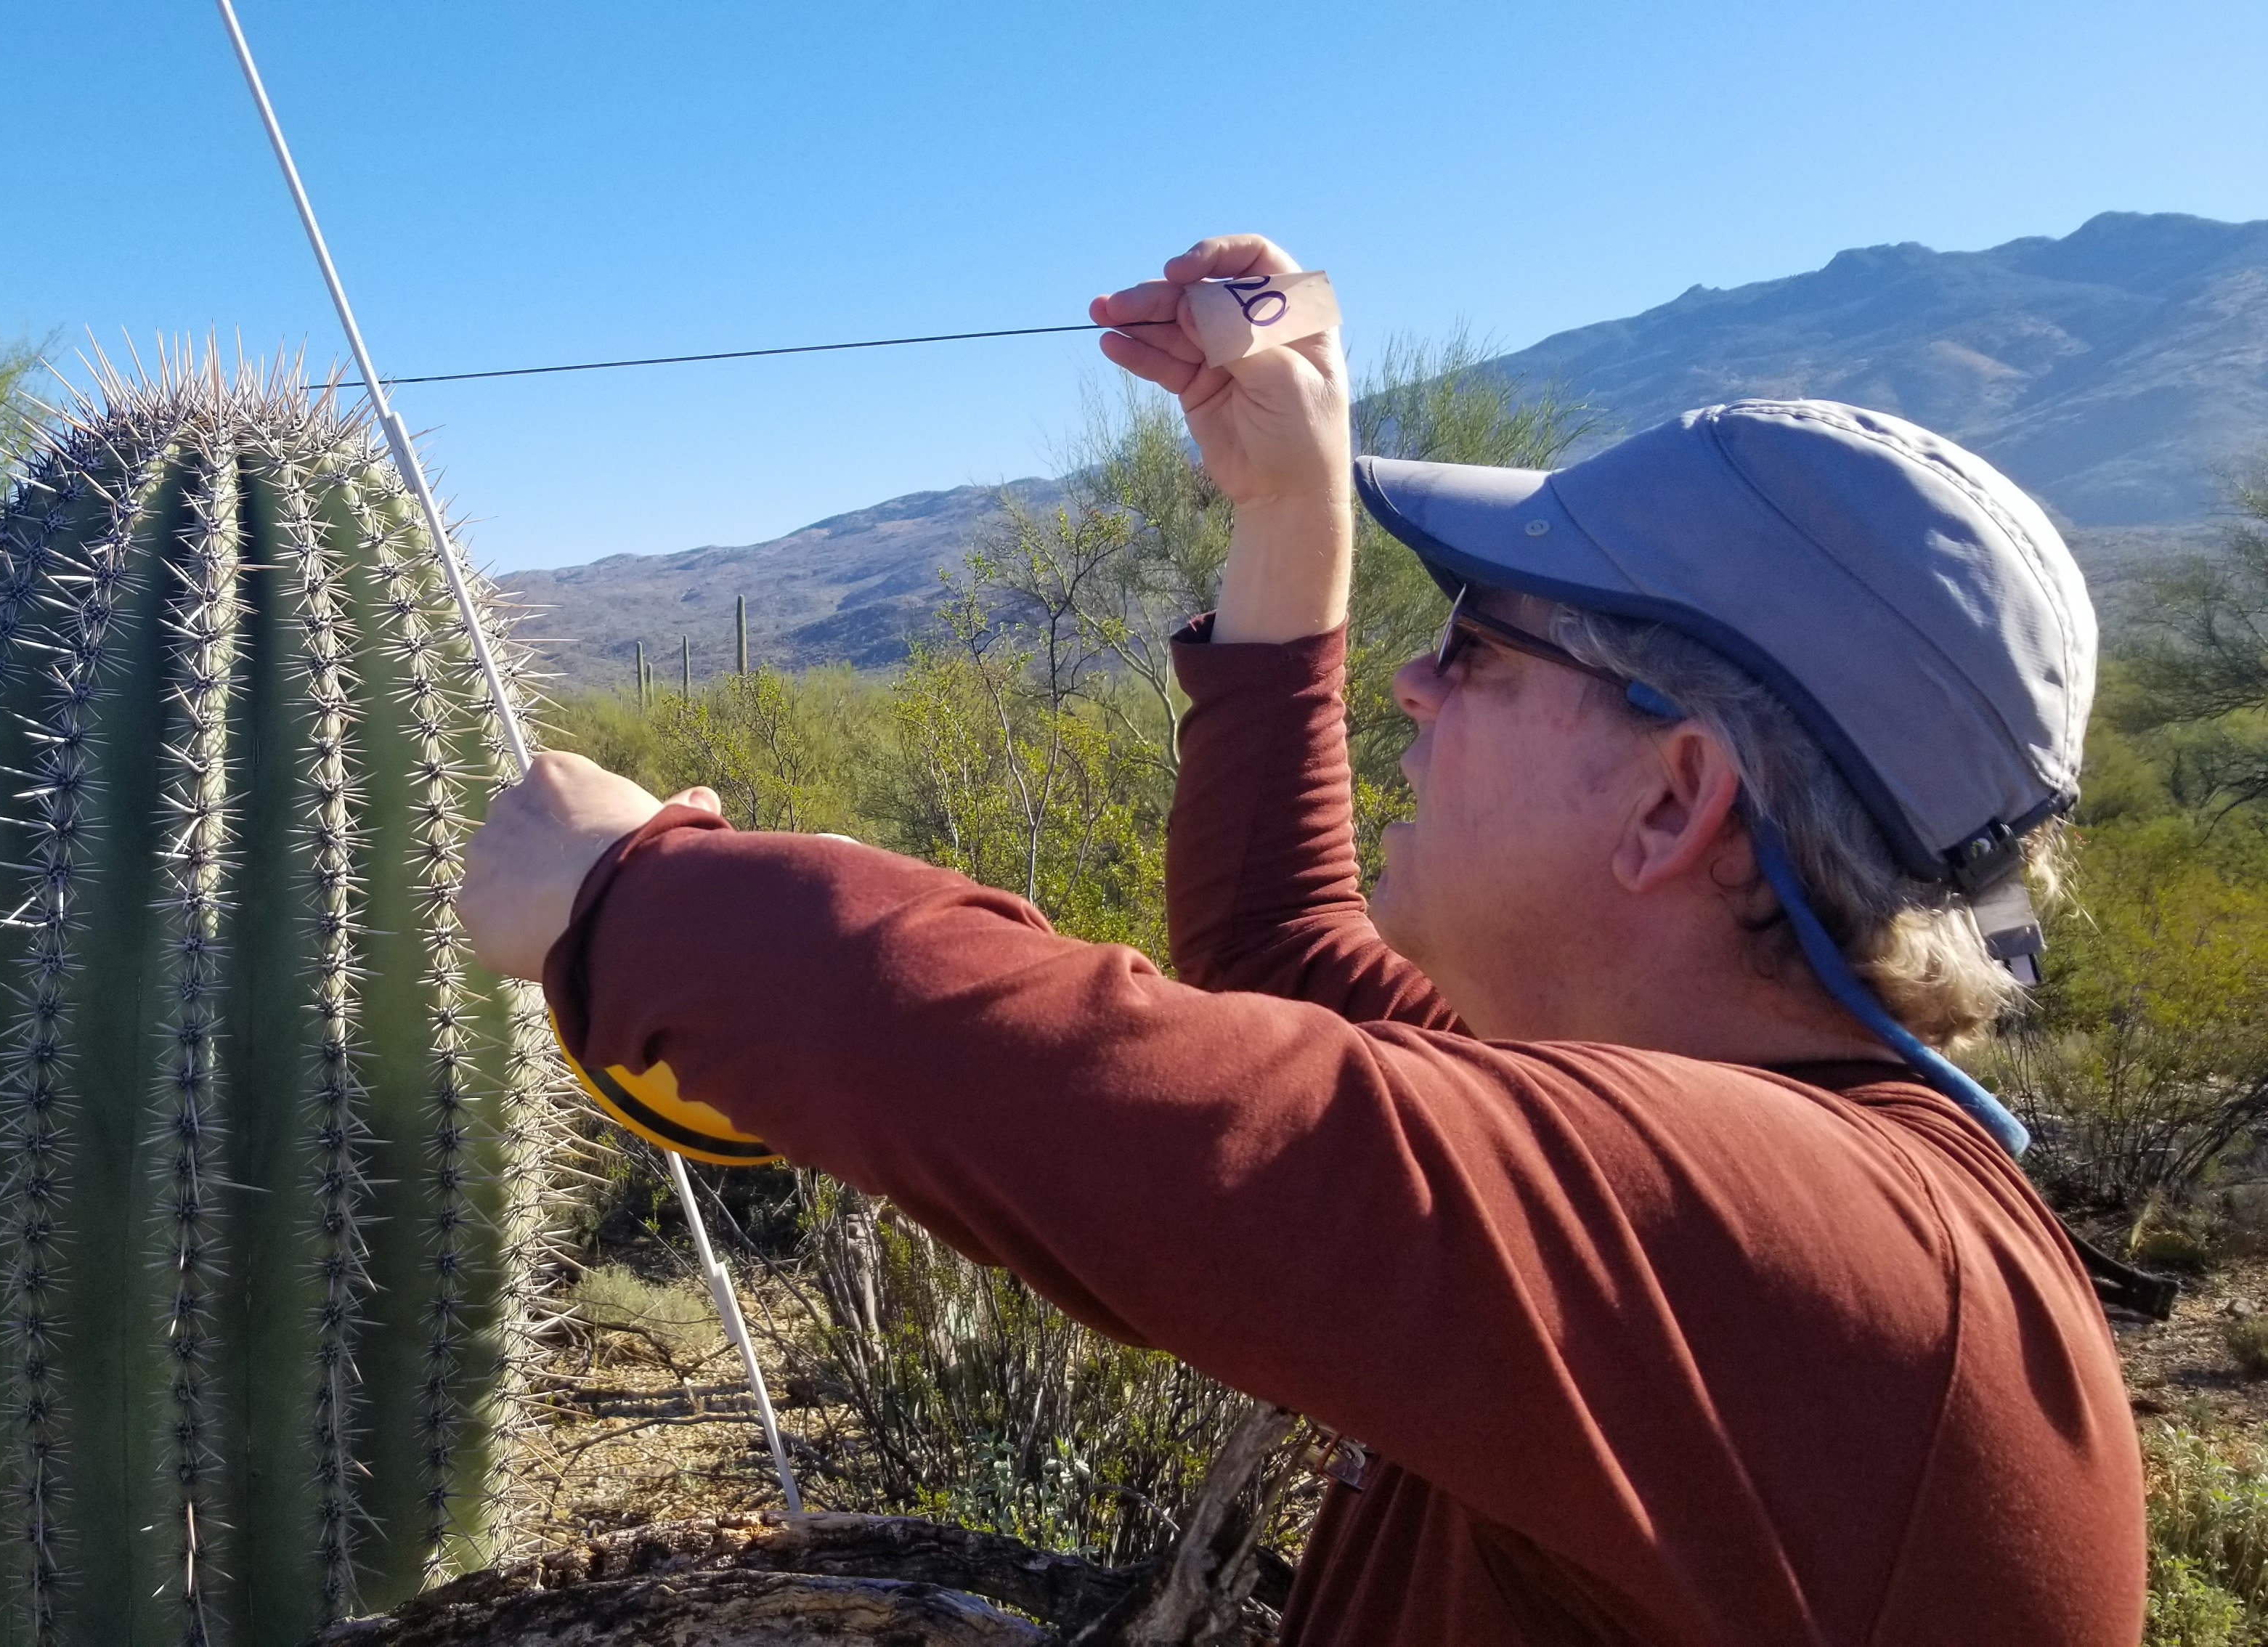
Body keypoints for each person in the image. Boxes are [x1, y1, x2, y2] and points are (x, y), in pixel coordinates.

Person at [458, 236, 2145, 1643]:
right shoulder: (1723, 1170)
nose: (1416, 681)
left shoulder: (1822, 1264)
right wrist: (1290, 518)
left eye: (1481, 649)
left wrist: (639, 896)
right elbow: (1280, 955)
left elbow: (1152, 1113)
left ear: (1674, 796)